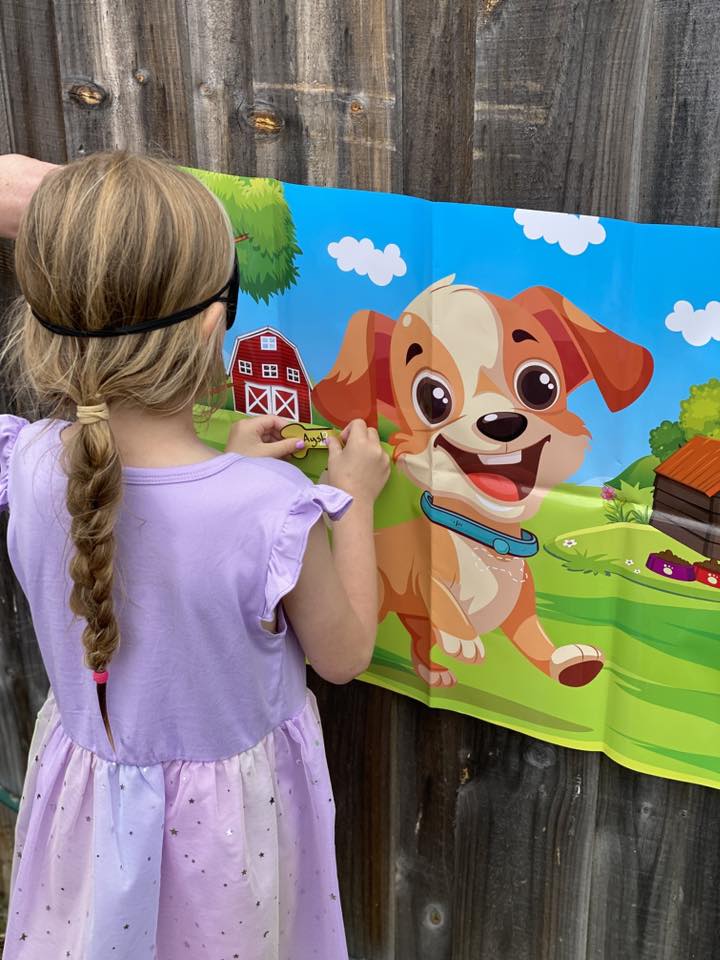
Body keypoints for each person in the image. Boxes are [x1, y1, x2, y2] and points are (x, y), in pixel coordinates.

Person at [0, 151, 389, 959]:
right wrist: (352, 500)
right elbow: (346, 653)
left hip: (86, 819)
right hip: (223, 846)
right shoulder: (270, 511)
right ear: (216, 322)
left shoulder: (27, 461)